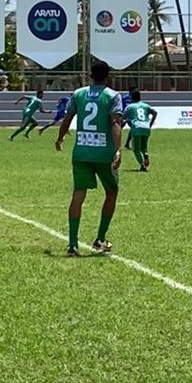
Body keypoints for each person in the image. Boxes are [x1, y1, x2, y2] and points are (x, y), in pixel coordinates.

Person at [55, 61, 124, 257]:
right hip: (104, 153)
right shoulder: (112, 96)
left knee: (78, 194)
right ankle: (100, 239)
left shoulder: (78, 94)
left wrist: (60, 137)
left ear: (90, 75)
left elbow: (67, 118)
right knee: (111, 191)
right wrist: (118, 149)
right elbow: (115, 123)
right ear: (108, 75)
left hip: (81, 152)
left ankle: (72, 244)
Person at [123, 89, 158, 171]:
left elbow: (123, 118)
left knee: (136, 149)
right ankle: (145, 155)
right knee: (144, 147)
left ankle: (143, 165)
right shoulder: (146, 105)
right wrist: (150, 124)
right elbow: (155, 112)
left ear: (131, 97)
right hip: (146, 127)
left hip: (136, 128)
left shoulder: (130, 107)